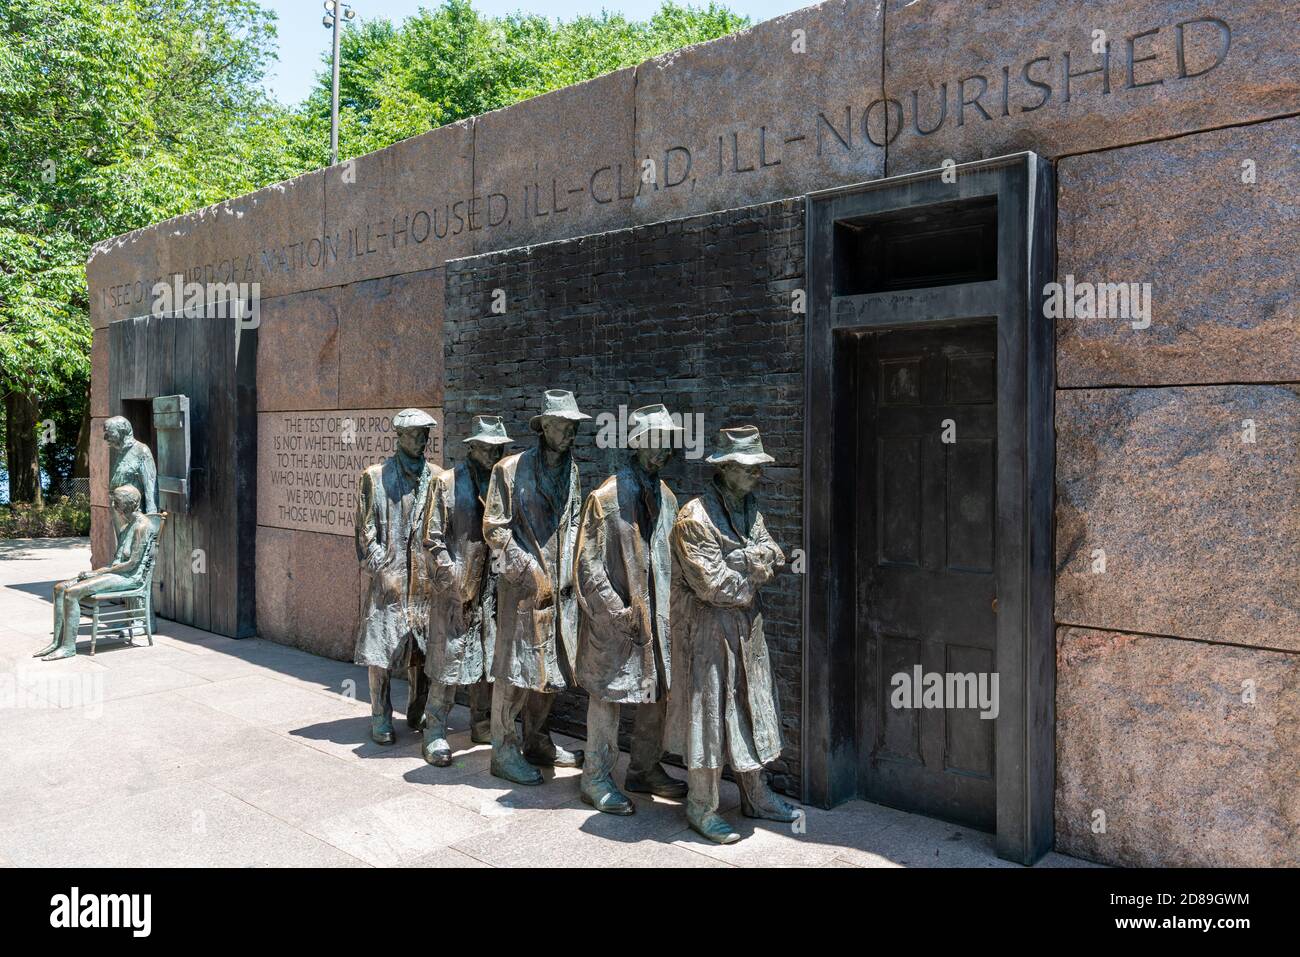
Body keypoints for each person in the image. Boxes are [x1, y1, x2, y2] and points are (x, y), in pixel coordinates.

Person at [668, 425, 801, 843]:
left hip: (747, 629)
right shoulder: (694, 518)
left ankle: (755, 795)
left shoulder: (750, 508)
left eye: (758, 468)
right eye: (748, 469)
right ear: (725, 468)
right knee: (708, 716)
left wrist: (741, 558)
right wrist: (751, 568)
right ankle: (701, 806)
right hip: (708, 632)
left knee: (752, 707)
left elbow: (774, 554)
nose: (757, 475)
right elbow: (714, 585)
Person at [574, 404, 688, 814]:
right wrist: (617, 611)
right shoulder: (605, 498)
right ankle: (596, 776)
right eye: (655, 443)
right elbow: (587, 566)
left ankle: (644, 767)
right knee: (608, 696)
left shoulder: (669, 498)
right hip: (616, 621)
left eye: (667, 445)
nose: (662, 452)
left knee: (656, 693)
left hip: (657, 620)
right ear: (638, 444)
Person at [483, 389, 588, 785]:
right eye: (563, 425)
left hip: (560, 586)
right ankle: (503, 750)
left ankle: (538, 741)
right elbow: (495, 528)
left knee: (550, 668)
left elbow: (575, 519)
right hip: (521, 587)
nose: (570, 433)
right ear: (544, 426)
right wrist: (527, 570)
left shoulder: (572, 470)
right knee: (514, 668)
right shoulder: (508, 470)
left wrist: (569, 569)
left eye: (574, 426)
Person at [420, 415, 512, 766]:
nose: (493, 454)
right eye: (487, 448)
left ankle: (482, 723)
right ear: (472, 447)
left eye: (498, 448)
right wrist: (452, 581)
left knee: (488, 661)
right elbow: (431, 540)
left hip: (493, 587)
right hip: (456, 590)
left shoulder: (502, 483)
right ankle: (434, 730)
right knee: (448, 662)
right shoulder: (446, 483)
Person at [354, 408, 437, 745]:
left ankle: (417, 710)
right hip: (389, 580)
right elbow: (365, 531)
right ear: (399, 436)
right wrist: (382, 568)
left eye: (425, 434)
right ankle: (380, 716)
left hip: (425, 580)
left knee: (425, 650)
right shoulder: (375, 477)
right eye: (415, 434)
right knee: (381, 651)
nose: (421, 440)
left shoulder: (438, 477)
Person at [36, 485, 157, 660]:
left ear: (129, 504)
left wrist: (96, 573)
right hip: (116, 573)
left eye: (117, 502)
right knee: (60, 588)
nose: (114, 506)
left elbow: (131, 565)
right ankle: (57, 642)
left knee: (72, 593)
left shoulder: (142, 527)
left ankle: (69, 647)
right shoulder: (127, 526)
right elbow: (118, 562)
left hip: (129, 577)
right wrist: (99, 572)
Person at [103, 416, 158, 533]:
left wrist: (152, 520)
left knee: (131, 549)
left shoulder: (141, 451)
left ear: (122, 431)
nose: (105, 437)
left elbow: (150, 486)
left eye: (109, 432)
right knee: (122, 548)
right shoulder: (121, 453)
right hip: (119, 513)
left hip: (134, 516)